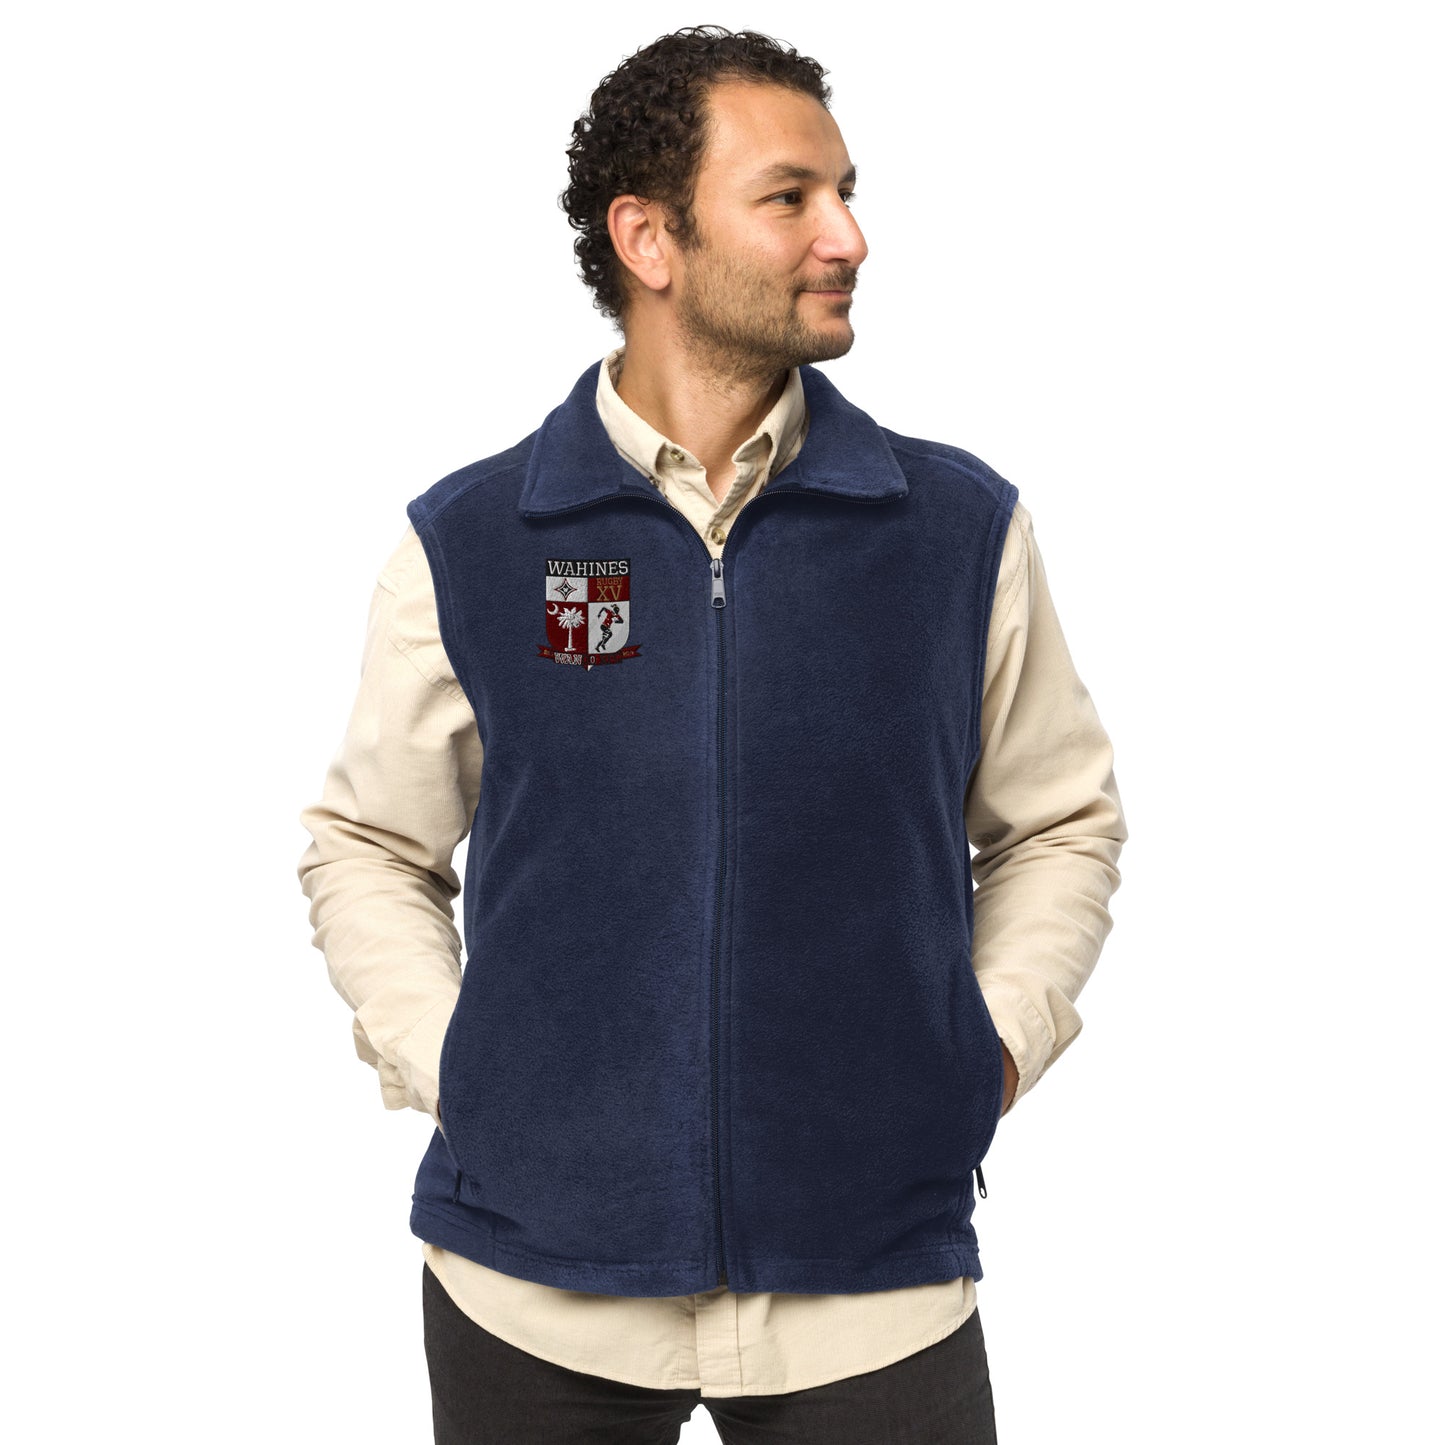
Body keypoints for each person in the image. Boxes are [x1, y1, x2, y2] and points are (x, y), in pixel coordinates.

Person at [297, 24, 1126, 1445]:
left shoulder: (953, 529)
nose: (847, 236)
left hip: (872, 1286)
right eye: (789, 197)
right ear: (650, 240)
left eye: (845, 192)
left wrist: (982, 1049)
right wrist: (464, 1065)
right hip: (531, 1287)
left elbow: (1058, 821)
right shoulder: (480, 539)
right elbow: (368, 841)